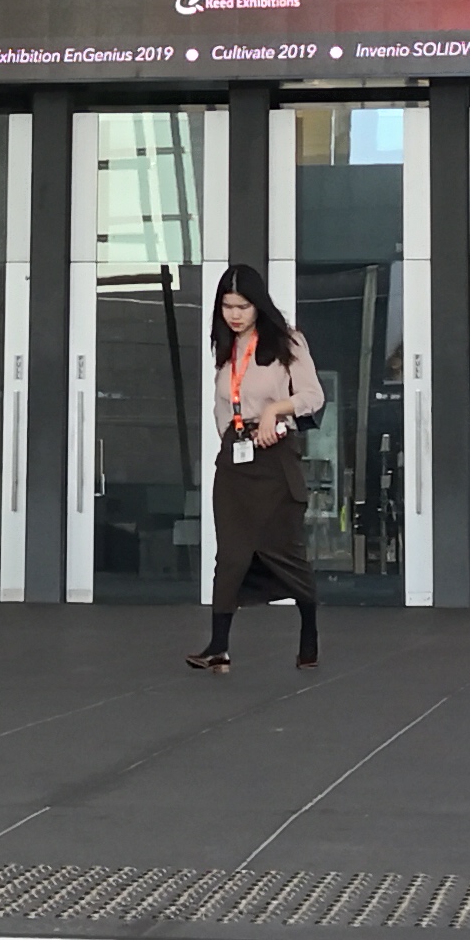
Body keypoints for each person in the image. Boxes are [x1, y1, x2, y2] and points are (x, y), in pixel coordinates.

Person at [189, 263, 326, 673]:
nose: (235, 315)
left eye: (243, 306)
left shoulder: (287, 342)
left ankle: (309, 632)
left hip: (275, 458)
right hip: (236, 458)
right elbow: (222, 404)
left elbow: (313, 396)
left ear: (258, 305)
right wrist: (232, 437)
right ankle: (218, 646)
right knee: (230, 554)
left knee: (285, 550)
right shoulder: (226, 347)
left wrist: (274, 411)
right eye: (227, 306)